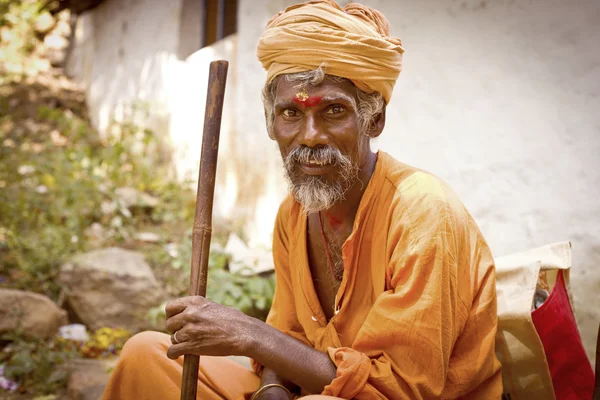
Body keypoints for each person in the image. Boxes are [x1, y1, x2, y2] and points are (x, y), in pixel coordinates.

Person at [101, 0, 502, 399]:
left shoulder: (423, 214)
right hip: (320, 390)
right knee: (146, 356)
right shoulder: (294, 215)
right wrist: (272, 390)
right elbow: (290, 337)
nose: (310, 135)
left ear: (373, 120)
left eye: (333, 110)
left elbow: (398, 387)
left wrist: (250, 333)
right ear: (272, 125)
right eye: (291, 113)